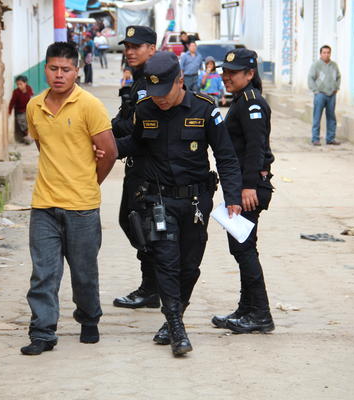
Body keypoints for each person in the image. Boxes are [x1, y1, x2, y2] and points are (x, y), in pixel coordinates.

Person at [117, 51, 243, 356]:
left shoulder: (205, 109)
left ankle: (175, 317)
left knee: (190, 267)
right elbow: (133, 143)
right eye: (154, 91)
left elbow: (225, 155)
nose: (159, 99)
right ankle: (175, 326)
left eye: (164, 92)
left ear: (179, 81)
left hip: (196, 202)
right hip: (158, 201)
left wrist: (233, 196)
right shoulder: (145, 109)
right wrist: (105, 146)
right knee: (166, 263)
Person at [20, 42, 118, 356]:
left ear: (76, 70)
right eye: (53, 68)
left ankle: (89, 319)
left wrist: (89, 182)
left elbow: (110, 152)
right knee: (43, 272)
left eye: (65, 69)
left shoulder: (89, 105)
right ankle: (43, 332)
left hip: (82, 207)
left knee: (84, 272)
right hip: (44, 204)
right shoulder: (34, 106)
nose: (59, 75)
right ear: (45, 68)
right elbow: (43, 148)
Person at [211, 48, 276, 334]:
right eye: (224, 72)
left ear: (250, 74)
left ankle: (260, 314)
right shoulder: (241, 100)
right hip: (240, 185)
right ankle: (247, 309)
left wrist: (248, 186)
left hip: (249, 187)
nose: (226, 77)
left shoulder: (251, 103)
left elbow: (255, 148)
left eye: (233, 73)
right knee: (242, 247)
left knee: (244, 249)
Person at [111, 26, 160, 310]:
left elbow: (136, 126)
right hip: (137, 166)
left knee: (142, 225)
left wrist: (112, 133)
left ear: (151, 49)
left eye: (136, 46)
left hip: (150, 167)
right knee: (133, 222)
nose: (130, 51)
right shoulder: (138, 79)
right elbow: (126, 119)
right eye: (127, 46)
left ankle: (153, 287)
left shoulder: (153, 80)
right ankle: (154, 284)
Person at [307, 45, 341, 146]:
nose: (326, 54)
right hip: (320, 94)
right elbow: (310, 78)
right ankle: (315, 139)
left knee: (331, 117)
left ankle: (330, 138)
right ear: (320, 54)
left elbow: (338, 77)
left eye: (328, 52)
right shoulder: (316, 65)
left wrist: (336, 88)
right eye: (324, 52)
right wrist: (315, 91)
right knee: (317, 117)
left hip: (332, 95)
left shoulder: (334, 65)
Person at [8, 75, 34, 145]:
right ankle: (27, 135)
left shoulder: (29, 89)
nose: (19, 86)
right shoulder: (16, 92)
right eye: (17, 84)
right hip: (20, 111)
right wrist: (9, 110)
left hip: (28, 109)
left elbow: (32, 98)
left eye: (21, 84)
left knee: (31, 121)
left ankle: (30, 136)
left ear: (25, 83)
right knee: (22, 122)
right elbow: (12, 102)